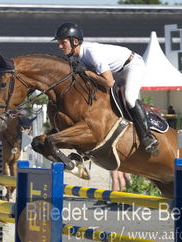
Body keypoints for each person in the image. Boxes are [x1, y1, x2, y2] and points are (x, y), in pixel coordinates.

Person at [53, 22, 158, 154]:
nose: (60, 46)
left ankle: (147, 136)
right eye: (59, 42)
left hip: (132, 65)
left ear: (75, 41)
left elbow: (109, 82)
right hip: (116, 71)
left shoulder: (91, 53)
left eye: (63, 42)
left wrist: (86, 72)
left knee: (130, 98)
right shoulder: (74, 57)